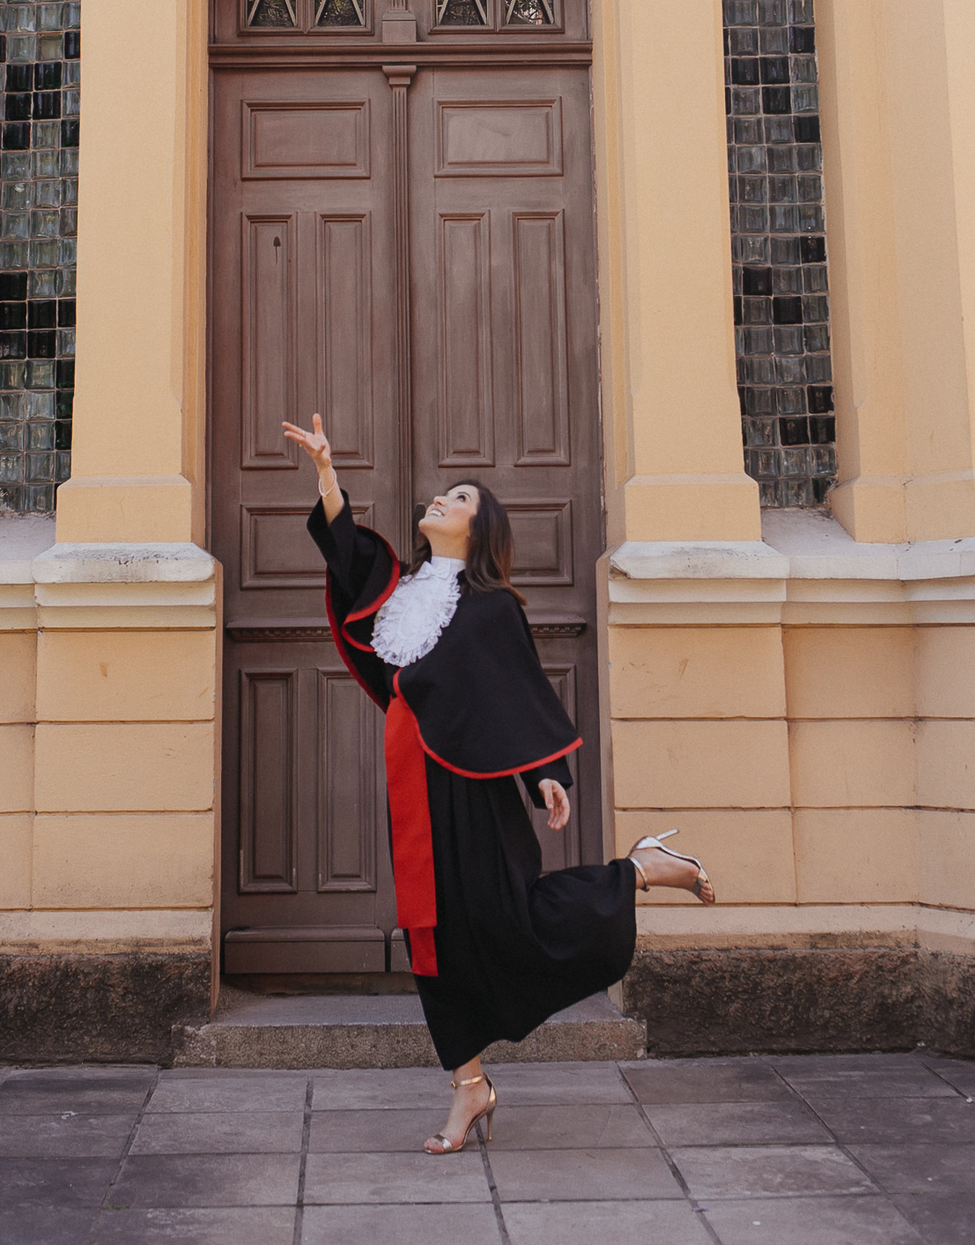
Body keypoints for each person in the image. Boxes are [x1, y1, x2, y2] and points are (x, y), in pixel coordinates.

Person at [282, 413, 715, 1156]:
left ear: (480, 532)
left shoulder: (488, 611)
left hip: (471, 788)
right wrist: (326, 474)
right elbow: (347, 556)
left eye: (459, 499)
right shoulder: (403, 594)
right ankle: (469, 1086)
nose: (441, 502)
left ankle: (637, 868)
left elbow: (517, 693)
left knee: (509, 923)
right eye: (442, 496)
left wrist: (546, 771)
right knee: (433, 940)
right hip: (411, 783)